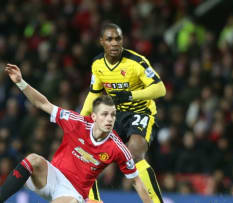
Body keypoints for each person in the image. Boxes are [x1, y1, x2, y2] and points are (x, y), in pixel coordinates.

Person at [0, 64, 153, 203]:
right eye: (104, 114)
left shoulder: (117, 147)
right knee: (33, 159)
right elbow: (43, 103)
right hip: (52, 176)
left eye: (113, 115)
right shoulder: (76, 122)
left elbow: (137, 182)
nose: (109, 119)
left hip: (73, 192)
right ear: (93, 117)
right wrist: (20, 82)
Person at [81, 22, 166, 202]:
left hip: (141, 112)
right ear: (102, 41)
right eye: (109, 39)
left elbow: (160, 89)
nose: (114, 43)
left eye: (118, 38)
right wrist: (79, 121)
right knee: (86, 154)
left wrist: (130, 95)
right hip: (116, 115)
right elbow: (93, 94)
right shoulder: (97, 64)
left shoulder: (137, 62)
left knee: (133, 155)